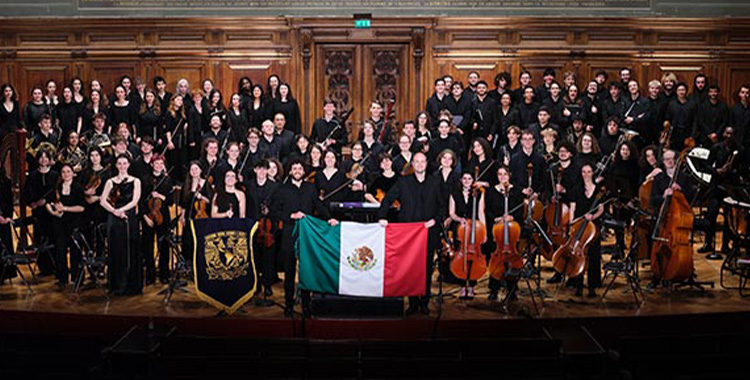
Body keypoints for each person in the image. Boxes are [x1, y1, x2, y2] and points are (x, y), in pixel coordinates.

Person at [377, 151, 441, 315]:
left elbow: (443, 206)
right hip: (409, 235)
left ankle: (424, 302)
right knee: (410, 268)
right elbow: (387, 199)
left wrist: (435, 220)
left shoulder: (435, 182)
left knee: (426, 269)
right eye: (416, 162)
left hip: (428, 232)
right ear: (412, 164)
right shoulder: (403, 182)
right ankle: (412, 302)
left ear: (426, 164)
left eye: (422, 162)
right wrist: (382, 217)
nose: (419, 165)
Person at [272, 158, 335, 317]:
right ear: (290, 171)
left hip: (307, 236)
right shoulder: (282, 189)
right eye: (294, 168)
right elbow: (274, 211)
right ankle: (288, 304)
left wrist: (329, 218)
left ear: (303, 171)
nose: (297, 171)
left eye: (300, 168)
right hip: (289, 234)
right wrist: (290, 215)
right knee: (289, 271)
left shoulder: (310, 187)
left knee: (306, 271)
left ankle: (307, 306)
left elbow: (318, 206)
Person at [100, 154, 142, 296]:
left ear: (129, 165)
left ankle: (131, 285)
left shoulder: (136, 181)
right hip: (114, 219)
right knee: (116, 250)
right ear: (116, 165)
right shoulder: (110, 182)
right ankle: (117, 285)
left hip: (129, 217)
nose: (122, 166)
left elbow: (135, 200)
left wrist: (121, 211)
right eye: (120, 163)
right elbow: (102, 201)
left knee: (131, 250)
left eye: (125, 163)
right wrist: (115, 212)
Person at [485, 166, 524, 300]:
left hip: (512, 231)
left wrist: (512, 217)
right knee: (496, 259)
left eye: (505, 174)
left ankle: (512, 288)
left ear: (509, 175)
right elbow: (488, 210)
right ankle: (494, 288)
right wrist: (496, 218)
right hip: (497, 230)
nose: (502, 177)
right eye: (499, 174)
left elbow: (520, 211)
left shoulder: (516, 191)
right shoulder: (491, 191)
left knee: (512, 258)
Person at [566, 163, 604, 297]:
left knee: (593, 256)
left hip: (593, 227)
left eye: (589, 172)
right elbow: (572, 208)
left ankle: (592, 286)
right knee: (578, 256)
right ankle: (578, 285)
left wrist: (593, 216)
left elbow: (601, 209)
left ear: (593, 173)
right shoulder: (576, 189)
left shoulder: (599, 190)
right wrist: (572, 224)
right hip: (579, 225)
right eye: (583, 172)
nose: (586, 174)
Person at [45, 163, 85, 289]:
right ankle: (62, 278)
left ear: (73, 173)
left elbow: (82, 208)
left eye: (68, 171)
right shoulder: (56, 187)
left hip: (74, 223)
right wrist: (53, 212)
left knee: (75, 251)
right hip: (59, 223)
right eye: (63, 172)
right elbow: (48, 202)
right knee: (60, 251)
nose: (66, 174)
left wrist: (65, 208)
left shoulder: (78, 188)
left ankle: (76, 278)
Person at [448, 170, 486, 299]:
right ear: (460, 180)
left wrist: (484, 230)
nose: (467, 181)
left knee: (475, 255)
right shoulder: (454, 194)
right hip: (460, 229)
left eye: (469, 179)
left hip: (475, 229)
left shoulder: (479, 194)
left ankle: (471, 286)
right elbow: (452, 213)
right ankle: (462, 286)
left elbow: (481, 213)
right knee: (460, 255)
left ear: (473, 181)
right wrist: (459, 219)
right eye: (464, 179)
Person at [22, 149, 59, 276]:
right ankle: (44, 267)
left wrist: (47, 200)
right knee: (40, 238)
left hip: (51, 212)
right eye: (41, 157)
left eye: (46, 157)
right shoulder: (32, 175)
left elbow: (57, 192)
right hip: (38, 212)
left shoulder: (55, 175)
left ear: (49, 159)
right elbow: (26, 193)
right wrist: (32, 203)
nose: (43, 160)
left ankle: (55, 265)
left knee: (53, 237)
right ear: (38, 159)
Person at [245, 159, 279, 297]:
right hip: (253, 223)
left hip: (268, 226)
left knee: (268, 257)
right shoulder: (249, 185)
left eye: (264, 169)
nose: (261, 172)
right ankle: (256, 284)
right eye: (259, 169)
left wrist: (269, 211)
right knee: (255, 256)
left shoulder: (274, 186)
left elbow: (277, 205)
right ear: (255, 170)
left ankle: (267, 285)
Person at [140, 155, 174, 285]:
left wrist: (160, 196)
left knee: (164, 245)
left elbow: (170, 202)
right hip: (148, 216)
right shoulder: (145, 180)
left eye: (161, 163)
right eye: (156, 163)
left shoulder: (167, 180)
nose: (159, 165)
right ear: (152, 164)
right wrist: (144, 216)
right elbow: (141, 200)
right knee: (148, 246)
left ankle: (164, 274)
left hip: (163, 216)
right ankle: (150, 275)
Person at [178, 161, 213, 263]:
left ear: (201, 170)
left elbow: (211, 200)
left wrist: (201, 197)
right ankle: (189, 264)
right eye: (192, 169)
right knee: (188, 240)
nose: (194, 171)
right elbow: (183, 203)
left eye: (196, 169)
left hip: (202, 216)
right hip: (189, 216)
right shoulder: (186, 185)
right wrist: (182, 216)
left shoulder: (205, 183)